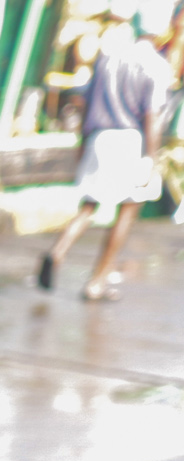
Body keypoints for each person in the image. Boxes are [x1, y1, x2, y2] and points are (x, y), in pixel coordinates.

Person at [39, 0, 177, 300]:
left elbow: (85, 104)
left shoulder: (108, 57)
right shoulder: (155, 66)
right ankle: (96, 282)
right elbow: (151, 117)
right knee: (126, 212)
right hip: (131, 140)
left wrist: (82, 142)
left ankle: (58, 250)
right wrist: (150, 160)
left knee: (90, 205)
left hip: (99, 136)